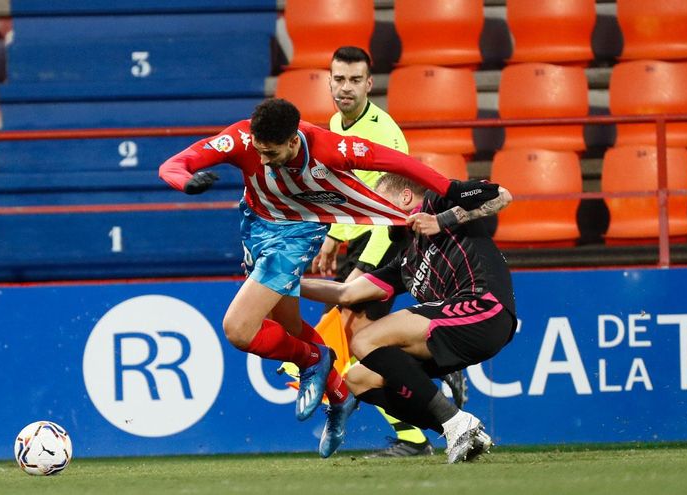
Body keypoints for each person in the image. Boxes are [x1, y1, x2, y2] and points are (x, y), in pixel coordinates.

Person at [158, 98, 499, 458]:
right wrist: (187, 182)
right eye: (258, 151)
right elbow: (174, 164)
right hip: (256, 227)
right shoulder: (243, 139)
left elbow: (395, 161)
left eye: (270, 153)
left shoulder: (329, 148)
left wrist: (448, 189)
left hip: (296, 235)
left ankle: (314, 359)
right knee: (289, 329)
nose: (261, 160)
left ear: (293, 141)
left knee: (238, 328)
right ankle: (339, 396)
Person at [300, 173, 517, 463]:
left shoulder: (438, 202)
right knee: (359, 379)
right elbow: (346, 293)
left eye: (378, 203)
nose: (373, 214)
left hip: (484, 310)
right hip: (459, 330)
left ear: (404, 197)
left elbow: (502, 195)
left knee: (365, 339)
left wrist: (442, 220)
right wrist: (286, 284)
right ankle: (459, 430)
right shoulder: (406, 260)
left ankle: (455, 421)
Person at [314, 45, 454, 458]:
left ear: (369, 85)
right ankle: (436, 378)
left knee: (359, 335)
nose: (346, 88)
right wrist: (332, 238)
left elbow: (393, 206)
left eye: (355, 80)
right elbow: (344, 194)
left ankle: (419, 426)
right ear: (330, 81)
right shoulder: (334, 125)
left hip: (387, 242)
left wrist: (367, 270)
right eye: (339, 79)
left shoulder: (384, 133)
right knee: (362, 338)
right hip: (359, 238)